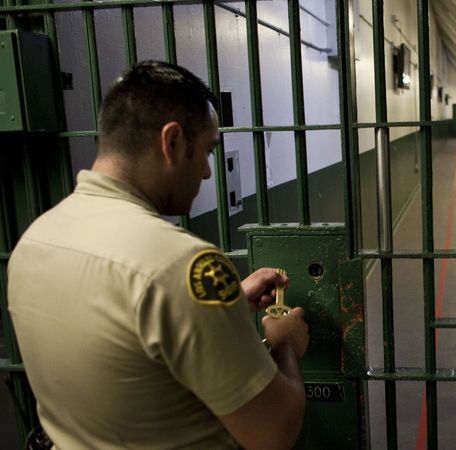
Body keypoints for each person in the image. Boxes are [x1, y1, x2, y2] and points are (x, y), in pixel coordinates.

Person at [7, 61, 309, 450]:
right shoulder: (184, 264)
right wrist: (284, 345)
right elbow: (273, 433)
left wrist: (227, 305)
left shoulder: (35, 240)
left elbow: (125, 347)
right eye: (206, 151)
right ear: (172, 142)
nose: (205, 172)